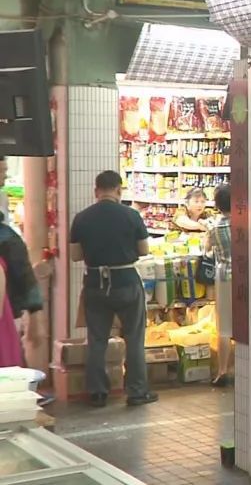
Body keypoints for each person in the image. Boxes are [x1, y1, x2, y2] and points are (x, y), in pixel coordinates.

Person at [70, 170, 156, 407]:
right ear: (119, 190)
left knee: (97, 339)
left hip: (95, 283)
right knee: (134, 337)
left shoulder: (81, 218)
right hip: (126, 280)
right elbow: (144, 250)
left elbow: (75, 255)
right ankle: (137, 392)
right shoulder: (131, 215)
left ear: (96, 191)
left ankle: (97, 392)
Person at [204, 184, 232, 386]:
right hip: (245, 276)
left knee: (224, 327)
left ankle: (222, 371)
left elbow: (206, 251)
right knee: (247, 322)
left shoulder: (214, 226)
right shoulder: (247, 223)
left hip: (223, 277)